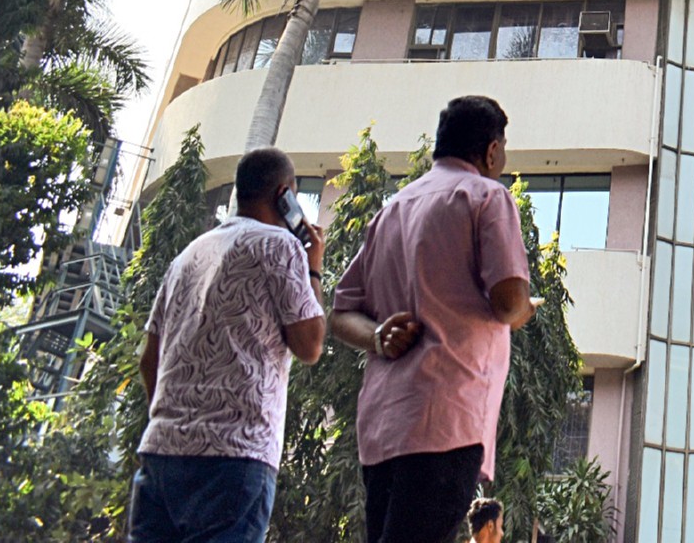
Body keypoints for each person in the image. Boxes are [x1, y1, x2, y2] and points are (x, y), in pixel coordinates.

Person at [331, 95, 537, 543]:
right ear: (491, 151)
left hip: (383, 427)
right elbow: (508, 301)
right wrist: (524, 308)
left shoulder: (392, 210)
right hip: (445, 418)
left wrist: (379, 337)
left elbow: (341, 312)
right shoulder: (486, 196)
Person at [129, 147, 325, 543]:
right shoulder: (280, 246)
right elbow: (310, 345)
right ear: (283, 194)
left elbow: (148, 359)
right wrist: (314, 267)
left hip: (162, 451)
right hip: (235, 457)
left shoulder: (188, 255)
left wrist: (176, 423)